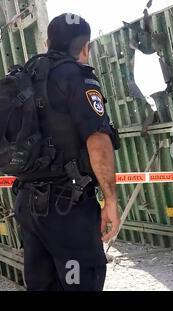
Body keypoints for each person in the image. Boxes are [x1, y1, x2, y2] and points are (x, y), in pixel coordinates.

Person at [13, 14, 120, 291]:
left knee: (42, 286)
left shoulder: (26, 76)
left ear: (48, 42)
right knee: (81, 284)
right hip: (66, 208)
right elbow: (98, 141)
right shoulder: (78, 78)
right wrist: (110, 200)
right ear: (86, 47)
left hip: (27, 204)